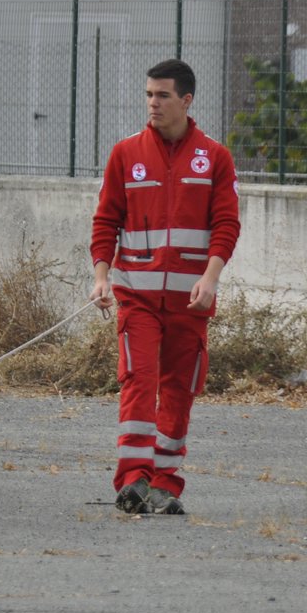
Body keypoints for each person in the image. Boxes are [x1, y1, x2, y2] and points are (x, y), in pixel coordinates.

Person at [89, 58, 241, 515]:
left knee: (179, 388)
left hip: (190, 303)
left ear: (186, 100)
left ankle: (165, 483)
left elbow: (226, 224)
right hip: (136, 294)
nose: (152, 103)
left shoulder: (215, 157)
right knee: (139, 379)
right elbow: (105, 220)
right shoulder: (126, 153)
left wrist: (210, 280)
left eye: (162, 95)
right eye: (149, 95)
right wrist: (101, 276)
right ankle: (132, 479)